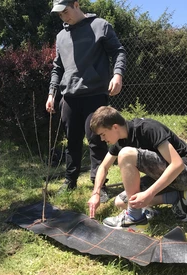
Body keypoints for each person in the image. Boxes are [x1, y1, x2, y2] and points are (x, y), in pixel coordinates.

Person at [46, 0, 126, 203]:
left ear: (76, 4)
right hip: (69, 97)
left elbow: (118, 51)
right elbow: (57, 67)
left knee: (97, 141)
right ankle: (70, 180)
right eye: (60, 15)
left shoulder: (100, 26)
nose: (64, 17)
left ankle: (99, 185)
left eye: (66, 11)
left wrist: (117, 74)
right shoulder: (61, 36)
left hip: (95, 94)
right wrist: (52, 93)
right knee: (71, 141)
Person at [87, 106, 187, 231]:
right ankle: (177, 197)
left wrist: (148, 194)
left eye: (103, 134)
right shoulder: (120, 141)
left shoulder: (147, 128)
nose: (102, 139)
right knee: (120, 202)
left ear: (115, 127)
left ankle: (135, 219)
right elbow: (103, 166)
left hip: (185, 175)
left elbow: (177, 164)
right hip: (164, 177)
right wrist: (96, 192)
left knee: (125, 154)